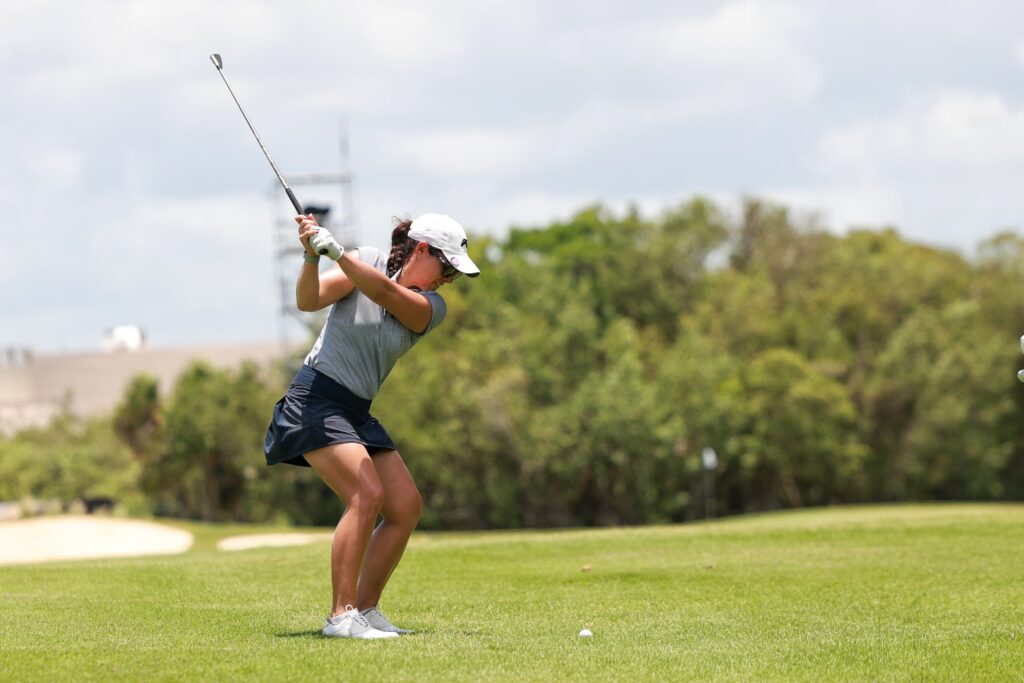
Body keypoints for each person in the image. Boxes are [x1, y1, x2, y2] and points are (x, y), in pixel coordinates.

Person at [263, 212, 480, 639]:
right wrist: (312, 257)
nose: (448, 279)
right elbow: (309, 301)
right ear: (422, 250)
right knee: (365, 493)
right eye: (447, 267)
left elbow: (381, 291)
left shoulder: (430, 308)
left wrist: (337, 253)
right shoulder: (365, 260)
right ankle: (341, 616)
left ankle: (365, 608)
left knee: (404, 507)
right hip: (316, 398)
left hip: (356, 410)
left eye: (454, 274)